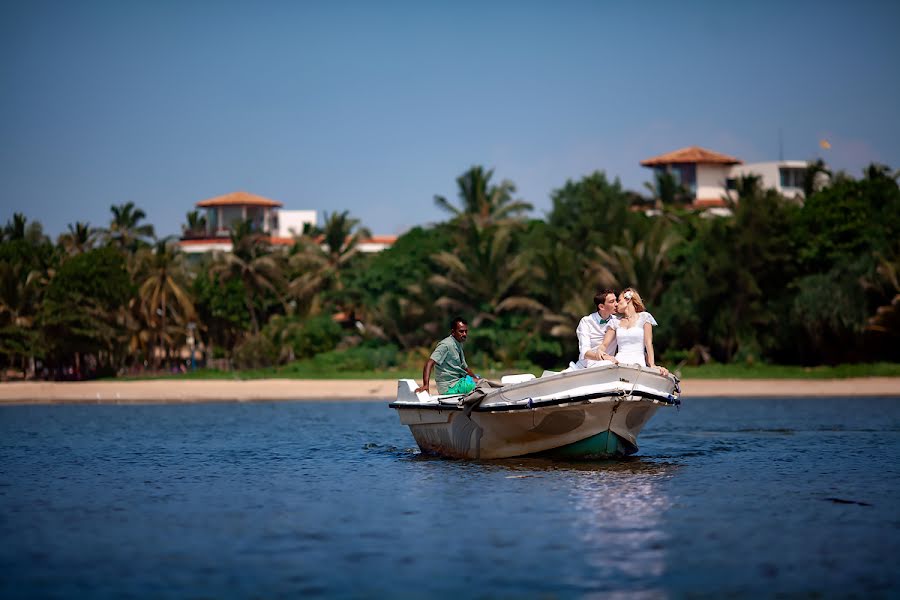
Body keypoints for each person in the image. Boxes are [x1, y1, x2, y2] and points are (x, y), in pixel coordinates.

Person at [585, 287, 669, 376]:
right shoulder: (615, 322)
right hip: (619, 362)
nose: (616, 304)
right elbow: (604, 344)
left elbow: (648, 343)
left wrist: (652, 364)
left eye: (619, 300)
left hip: (638, 362)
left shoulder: (645, 317)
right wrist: (600, 350)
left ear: (628, 299)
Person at [415, 317, 482, 395]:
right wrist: (426, 385)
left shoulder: (458, 344)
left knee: (479, 379)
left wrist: (475, 378)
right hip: (449, 387)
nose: (464, 334)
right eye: (461, 331)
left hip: (458, 381)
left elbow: (465, 368)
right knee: (480, 385)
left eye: (466, 331)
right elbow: (429, 363)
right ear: (453, 332)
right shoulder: (445, 345)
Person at [572, 289, 619, 369]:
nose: (616, 304)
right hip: (586, 366)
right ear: (601, 306)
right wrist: (604, 357)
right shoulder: (586, 321)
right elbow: (585, 351)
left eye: (616, 300)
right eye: (612, 302)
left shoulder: (618, 321)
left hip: (609, 366)